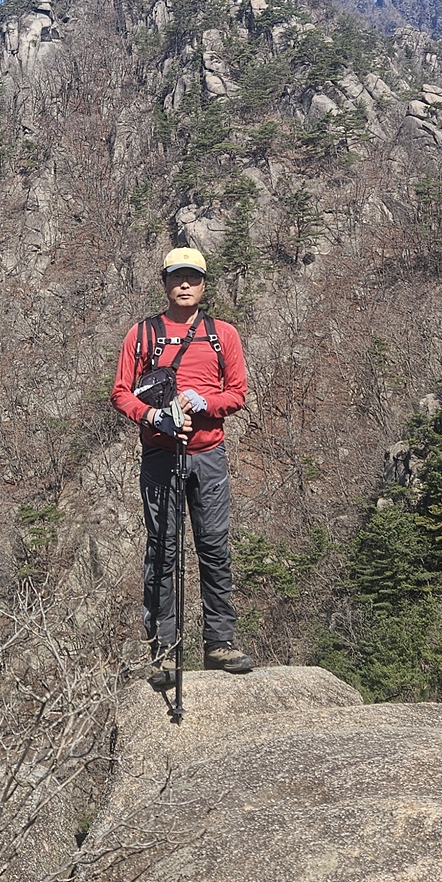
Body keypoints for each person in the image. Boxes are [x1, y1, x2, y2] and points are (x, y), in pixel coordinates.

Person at [111, 246, 254, 689]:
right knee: (163, 552)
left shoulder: (222, 334)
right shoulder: (142, 334)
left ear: (204, 285)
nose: (185, 284)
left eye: (193, 277)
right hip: (161, 455)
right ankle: (164, 652)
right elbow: (120, 393)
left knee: (213, 548)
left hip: (208, 455)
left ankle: (220, 643)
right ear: (165, 283)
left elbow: (238, 393)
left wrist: (204, 402)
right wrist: (154, 416)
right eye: (177, 277)